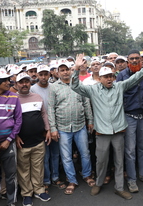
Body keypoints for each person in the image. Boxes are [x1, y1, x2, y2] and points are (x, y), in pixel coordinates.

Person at [70, 53, 143, 200]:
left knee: (119, 161)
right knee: (101, 160)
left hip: (119, 131)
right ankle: (99, 183)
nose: (109, 79)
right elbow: (75, 85)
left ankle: (119, 188)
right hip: (102, 132)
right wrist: (76, 68)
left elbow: (136, 77)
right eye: (106, 77)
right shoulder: (93, 90)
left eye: (111, 76)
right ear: (100, 78)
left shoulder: (119, 87)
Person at [48, 60, 95, 195]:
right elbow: (50, 108)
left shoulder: (79, 84)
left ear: (71, 70)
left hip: (80, 125)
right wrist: (53, 128)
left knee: (85, 153)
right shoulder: (54, 87)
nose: (65, 72)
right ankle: (72, 180)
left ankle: (86, 175)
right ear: (57, 72)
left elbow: (86, 103)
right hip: (62, 127)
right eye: (62, 70)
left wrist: (90, 120)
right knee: (66, 156)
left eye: (67, 69)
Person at [116, 49, 143, 193]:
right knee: (130, 150)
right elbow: (117, 98)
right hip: (129, 117)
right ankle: (131, 179)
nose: (134, 61)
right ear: (127, 61)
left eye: (137, 58)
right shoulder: (122, 76)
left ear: (141, 60)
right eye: (131, 59)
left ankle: (142, 174)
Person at [15, 72, 52, 206]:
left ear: (30, 83)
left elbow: (44, 114)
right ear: (16, 84)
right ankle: (26, 193)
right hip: (22, 143)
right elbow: (11, 120)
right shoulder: (13, 99)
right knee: (23, 170)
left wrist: (48, 130)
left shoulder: (37, 97)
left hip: (38, 141)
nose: (24, 84)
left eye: (27, 81)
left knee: (38, 168)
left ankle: (39, 190)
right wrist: (16, 136)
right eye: (21, 82)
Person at [0, 69, 22, 206]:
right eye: (5, 81)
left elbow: (18, 120)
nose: (9, 82)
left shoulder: (14, 97)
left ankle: (11, 201)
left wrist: (9, 140)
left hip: (8, 142)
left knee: (10, 174)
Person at [31, 65, 66, 192]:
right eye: (41, 74)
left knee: (56, 154)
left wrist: (53, 128)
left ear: (50, 75)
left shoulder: (54, 87)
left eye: (46, 74)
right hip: (41, 128)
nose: (44, 77)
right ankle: (46, 180)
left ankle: (55, 177)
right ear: (37, 75)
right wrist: (45, 129)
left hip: (55, 126)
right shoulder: (32, 90)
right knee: (44, 156)